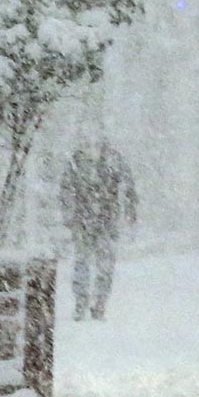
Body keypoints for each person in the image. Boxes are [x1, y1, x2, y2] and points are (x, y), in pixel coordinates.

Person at [59, 134, 139, 321]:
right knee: (89, 262)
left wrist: (130, 209)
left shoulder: (88, 160)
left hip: (100, 220)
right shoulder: (81, 161)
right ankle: (87, 301)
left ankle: (94, 302)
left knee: (94, 262)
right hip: (92, 220)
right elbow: (66, 189)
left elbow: (128, 187)